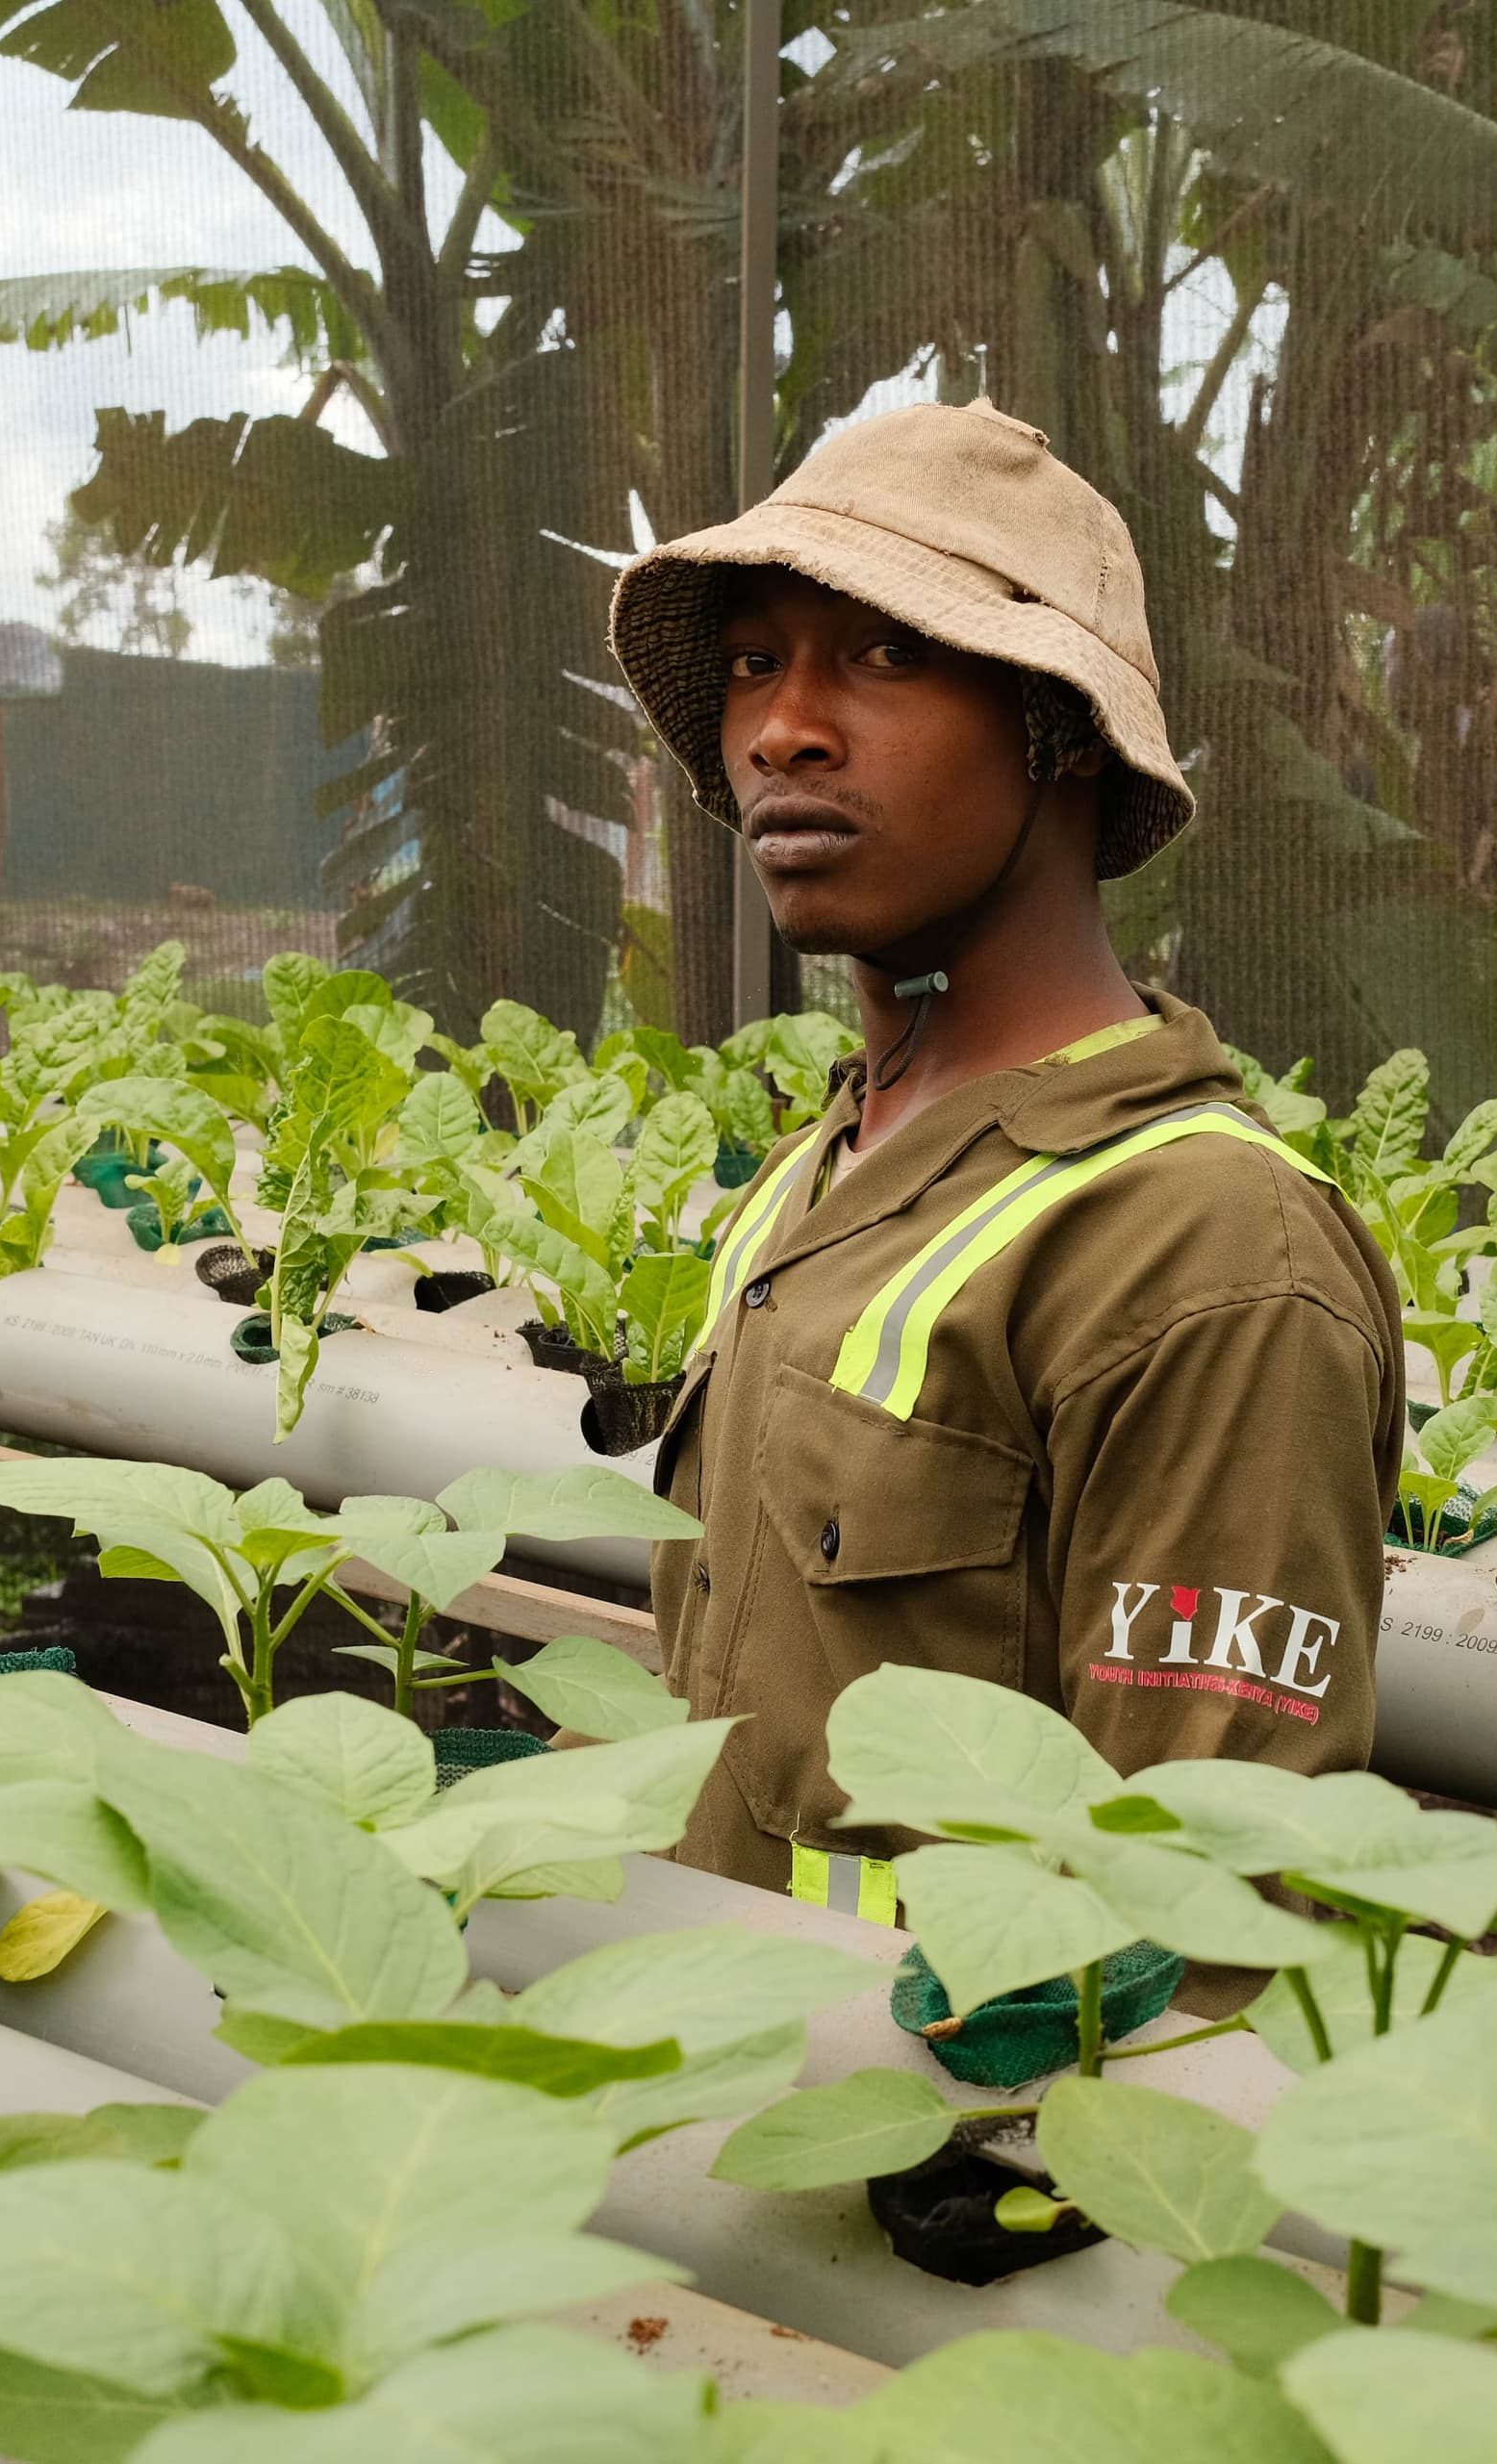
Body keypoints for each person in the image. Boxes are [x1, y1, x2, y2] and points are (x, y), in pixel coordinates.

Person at [605, 397, 1403, 1909]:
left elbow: (1198, 1938)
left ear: (1061, 731)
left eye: (889, 653)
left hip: (939, 2140)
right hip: (701, 2100)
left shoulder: (1206, 1257)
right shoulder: (817, 1173)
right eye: (756, 661)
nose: (784, 725)